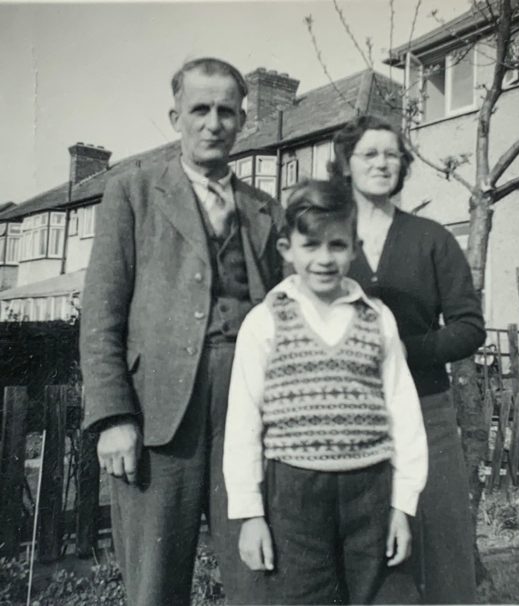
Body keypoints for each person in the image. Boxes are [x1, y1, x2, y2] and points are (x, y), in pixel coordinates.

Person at [79, 57, 283, 606]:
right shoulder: (134, 193)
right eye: (200, 109)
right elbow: (101, 313)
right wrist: (113, 416)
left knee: (259, 576)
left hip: (248, 413)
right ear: (176, 117)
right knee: (154, 588)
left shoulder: (266, 210)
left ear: (243, 120)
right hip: (156, 419)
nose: (213, 123)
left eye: (226, 111)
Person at [223, 179, 428, 605]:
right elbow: (243, 422)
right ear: (287, 250)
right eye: (310, 245)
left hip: (371, 488)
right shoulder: (265, 322)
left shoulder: (377, 319)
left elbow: (404, 413)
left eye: (337, 245)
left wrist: (402, 506)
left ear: (355, 248)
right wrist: (250, 514)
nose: (323, 259)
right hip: (294, 492)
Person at [329, 114, 486, 604]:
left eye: (391, 155)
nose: (381, 163)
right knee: (364, 552)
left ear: (404, 166)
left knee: (443, 543)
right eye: (369, 154)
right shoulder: (326, 238)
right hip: (347, 418)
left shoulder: (431, 238)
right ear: (346, 165)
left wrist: (402, 350)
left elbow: (468, 326)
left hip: (427, 408)